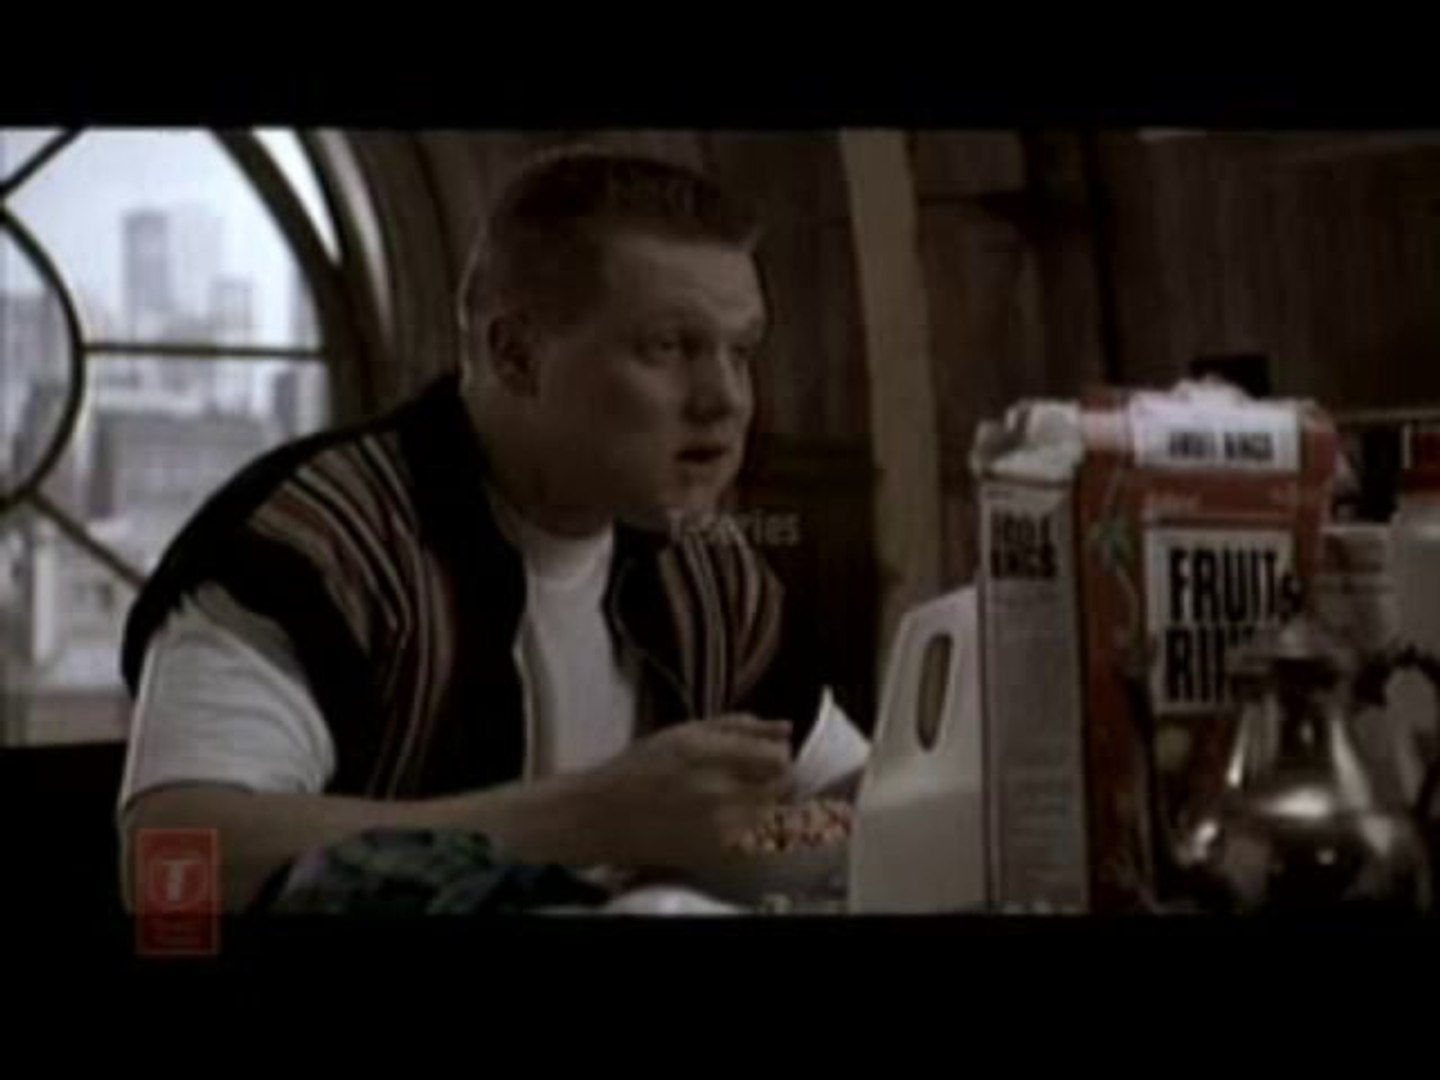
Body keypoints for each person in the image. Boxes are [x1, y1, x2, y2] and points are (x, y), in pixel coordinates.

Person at [116, 149, 869, 912]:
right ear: (515, 356)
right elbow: (169, 865)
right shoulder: (315, 546)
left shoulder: (703, 566)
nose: (726, 399)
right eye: (667, 347)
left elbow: (845, 791)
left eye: (741, 351)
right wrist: (587, 818)